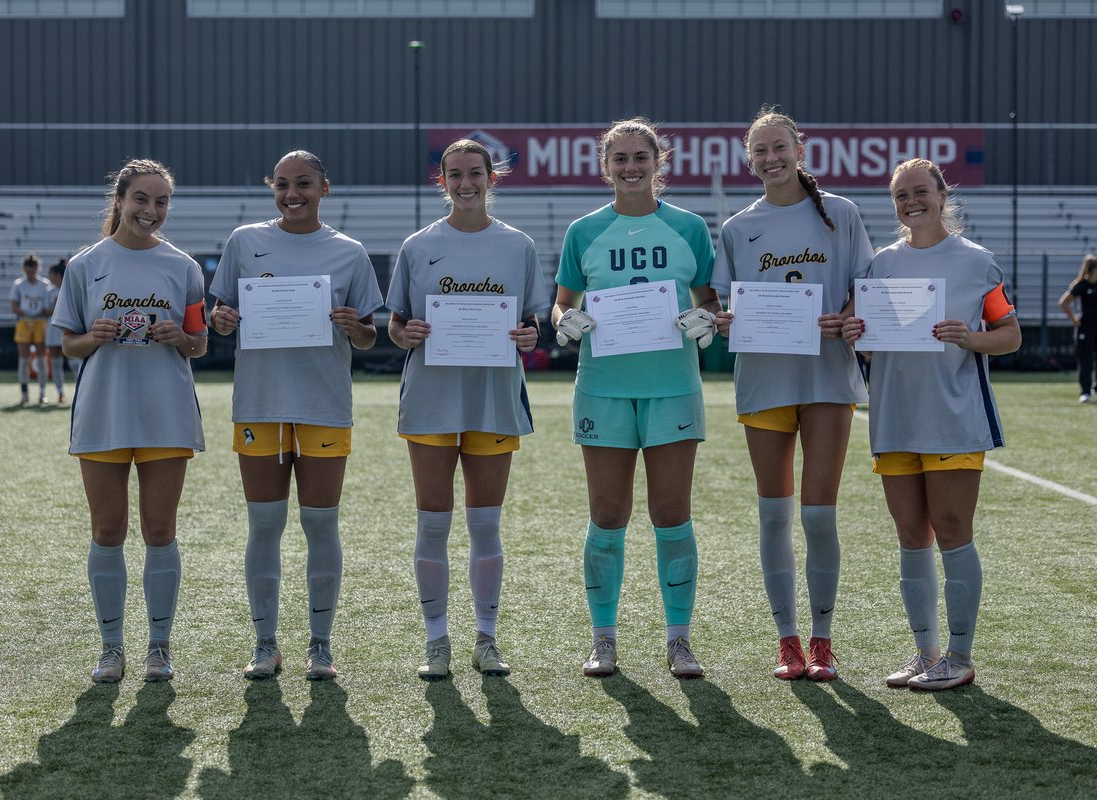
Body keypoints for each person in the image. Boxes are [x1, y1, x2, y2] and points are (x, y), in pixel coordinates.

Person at [843, 157, 1021, 690]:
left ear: (943, 196)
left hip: (953, 417)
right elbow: (871, 345)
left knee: (951, 529)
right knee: (910, 535)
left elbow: (1010, 335)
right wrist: (857, 333)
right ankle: (926, 653)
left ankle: (960, 658)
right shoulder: (880, 265)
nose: (911, 201)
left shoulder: (977, 262)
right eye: (901, 195)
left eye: (920, 191)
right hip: (893, 417)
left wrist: (971, 337)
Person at [552, 118, 720, 680]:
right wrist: (565, 320)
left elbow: (708, 300)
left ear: (657, 162)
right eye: (619, 158)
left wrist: (707, 319)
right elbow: (562, 302)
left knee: (671, 516)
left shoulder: (689, 227)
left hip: (673, 387)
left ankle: (679, 640)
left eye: (639, 157)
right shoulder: (584, 231)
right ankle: (603, 639)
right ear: (606, 167)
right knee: (607, 517)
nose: (630, 167)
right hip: (603, 388)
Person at [209, 150, 384, 682]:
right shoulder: (244, 241)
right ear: (272, 188)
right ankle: (265, 644)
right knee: (265, 524)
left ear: (323, 189)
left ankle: (320, 646)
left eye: (304, 184)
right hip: (259, 404)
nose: (292, 194)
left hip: (323, 405)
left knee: (320, 522)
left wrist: (355, 327)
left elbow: (369, 337)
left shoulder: (349, 252)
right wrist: (222, 320)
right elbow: (219, 316)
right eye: (282, 184)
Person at [711, 107, 873, 682]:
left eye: (779, 147)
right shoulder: (737, 228)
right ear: (748, 159)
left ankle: (823, 641)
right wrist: (724, 321)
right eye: (760, 150)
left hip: (827, 379)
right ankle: (787, 642)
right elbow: (718, 305)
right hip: (764, 382)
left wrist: (847, 316)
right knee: (774, 515)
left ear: (799, 150)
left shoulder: (842, 214)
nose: (771, 158)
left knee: (819, 516)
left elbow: (865, 288)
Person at [387, 138, 550, 680]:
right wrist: (406, 333)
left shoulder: (518, 245)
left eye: (475, 173)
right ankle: (436, 641)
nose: (465, 183)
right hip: (432, 398)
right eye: (454, 174)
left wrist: (529, 336)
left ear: (491, 177)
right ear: (443, 181)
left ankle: (486, 638)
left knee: (485, 524)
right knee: (433, 525)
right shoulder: (418, 246)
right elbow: (396, 324)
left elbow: (531, 322)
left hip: (493, 398)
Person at [51, 158, 208, 683]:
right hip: (104, 412)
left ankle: (158, 648)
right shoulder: (85, 265)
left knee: (160, 530)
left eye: (162, 201)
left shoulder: (183, 267)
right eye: (141, 198)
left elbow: (200, 344)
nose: (151, 210)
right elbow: (69, 344)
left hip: (167, 413)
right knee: (107, 529)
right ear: (119, 200)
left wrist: (180, 338)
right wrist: (92, 337)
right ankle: (111, 648)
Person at [1058, 255, 1097, 402]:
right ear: (1094, 269)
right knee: (1085, 359)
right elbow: (1063, 302)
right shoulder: (1081, 285)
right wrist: (1074, 320)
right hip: (1085, 328)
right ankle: (1085, 391)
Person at [10, 253, 53, 405]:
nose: (30, 274)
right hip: (24, 322)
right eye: (28, 271)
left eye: (33, 271)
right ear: (24, 270)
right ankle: (24, 393)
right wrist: (24, 312)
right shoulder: (19, 284)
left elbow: (48, 306)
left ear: (37, 269)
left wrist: (44, 311)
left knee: (41, 359)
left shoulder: (45, 284)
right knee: (23, 360)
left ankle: (42, 393)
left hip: (40, 322)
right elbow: (14, 305)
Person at [45, 260, 68, 404]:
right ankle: (60, 393)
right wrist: (54, 305)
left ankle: (81, 390)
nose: (49, 277)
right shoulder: (49, 291)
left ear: (57, 275)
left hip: (68, 328)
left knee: (75, 361)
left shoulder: (69, 288)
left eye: (51, 274)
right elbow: (45, 311)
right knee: (56, 364)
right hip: (53, 329)